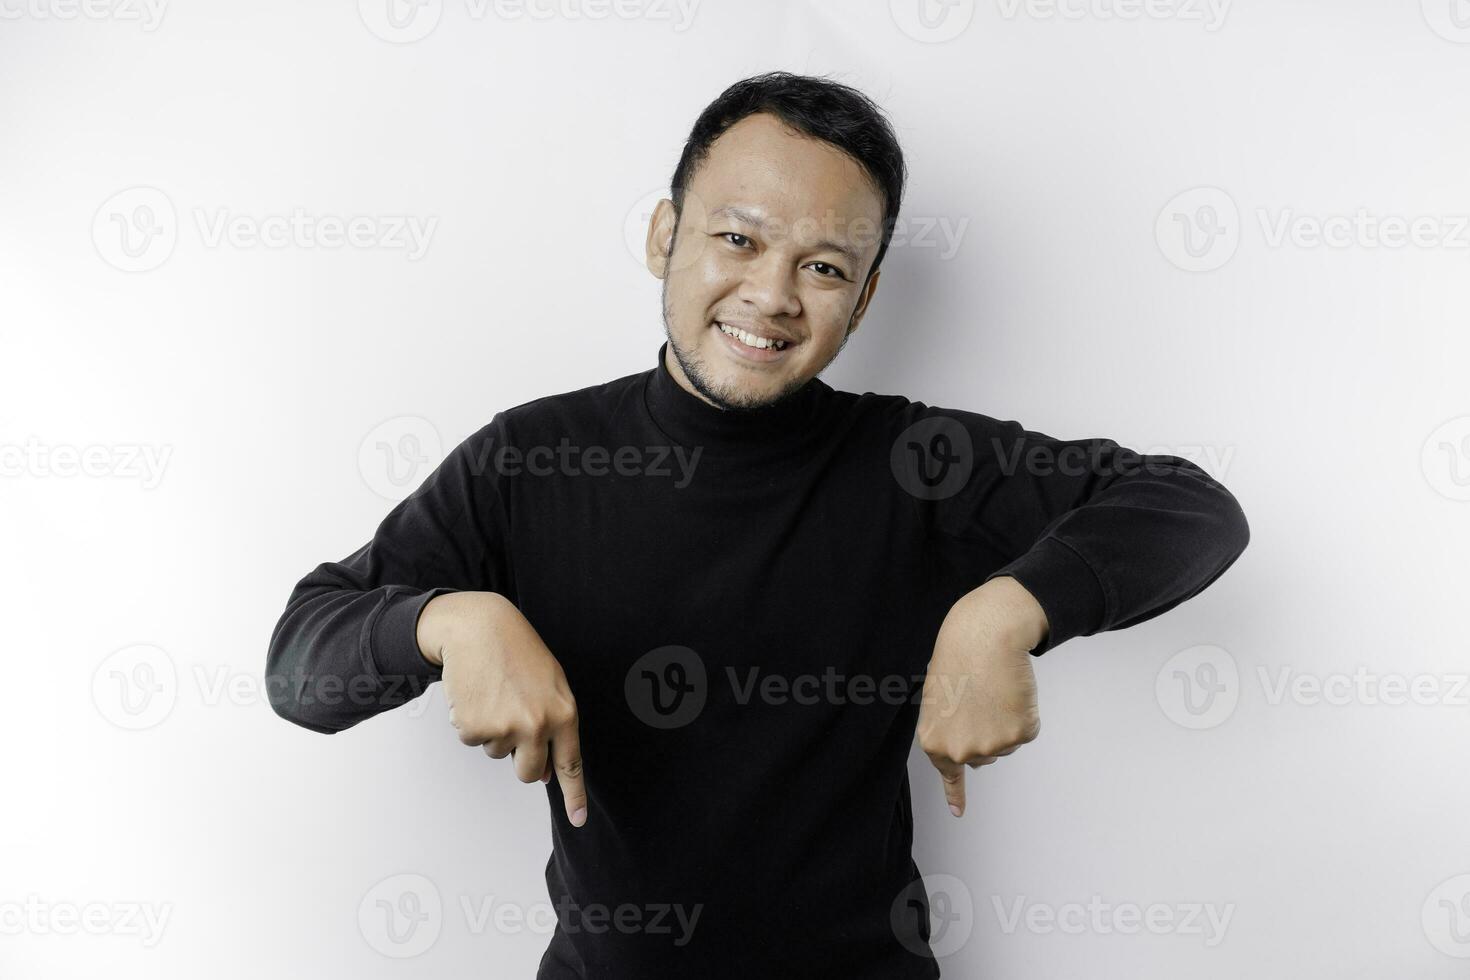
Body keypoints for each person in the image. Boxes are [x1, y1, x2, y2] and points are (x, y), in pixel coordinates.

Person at [266, 70, 1250, 978]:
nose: (772, 296)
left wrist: (1007, 608)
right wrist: (449, 619)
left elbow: (1189, 504)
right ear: (665, 234)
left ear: (862, 301)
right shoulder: (532, 458)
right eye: (736, 238)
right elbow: (301, 663)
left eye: (823, 266)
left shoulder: (915, 463)